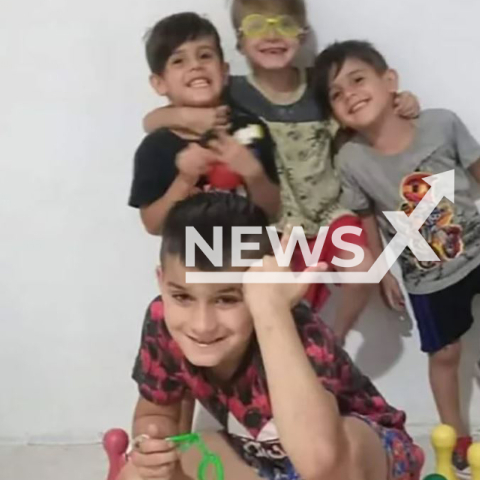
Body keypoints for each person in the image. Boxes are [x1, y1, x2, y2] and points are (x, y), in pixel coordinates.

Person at [314, 40, 480, 479]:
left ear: (390, 82)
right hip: (427, 275)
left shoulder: (440, 124)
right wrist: (380, 269)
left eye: (358, 80)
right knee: (444, 354)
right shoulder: (350, 159)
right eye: (336, 93)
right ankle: (455, 434)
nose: (349, 94)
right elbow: (364, 217)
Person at [142, 0, 421, 342]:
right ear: (241, 41)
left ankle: (335, 341)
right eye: (259, 25)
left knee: (363, 269)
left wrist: (400, 100)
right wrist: (186, 118)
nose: (272, 35)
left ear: (302, 36)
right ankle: (299, 353)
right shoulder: (233, 93)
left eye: (284, 25)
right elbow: (152, 120)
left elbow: (359, 101)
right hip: (276, 225)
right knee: (288, 304)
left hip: (329, 212)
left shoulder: (319, 85)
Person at [118, 192, 424, 480]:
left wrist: (271, 311)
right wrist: (151, 441)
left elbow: (324, 463)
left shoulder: (295, 327)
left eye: (227, 299)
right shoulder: (162, 320)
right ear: (162, 281)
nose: (202, 325)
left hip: (363, 459)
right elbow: (156, 411)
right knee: (136, 474)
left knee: (338, 453)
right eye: (182, 297)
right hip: (266, 459)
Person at [128, 12, 280, 235]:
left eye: (205, 55)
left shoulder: (251, 130)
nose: (196, 66)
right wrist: (185, 180)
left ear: (224, 71)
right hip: (191, 262)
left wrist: (254, 173)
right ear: (159, 83)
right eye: (179, 61)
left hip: (249, 255)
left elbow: (272, 211)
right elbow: (153, 225)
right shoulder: (156, 147)